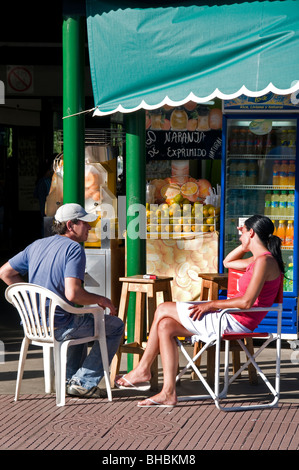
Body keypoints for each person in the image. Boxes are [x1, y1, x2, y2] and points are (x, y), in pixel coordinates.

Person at [115, 215, 284, 407]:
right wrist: (246, 245)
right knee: (165, 326)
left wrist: (210, 304)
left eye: (243, 231)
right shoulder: (257, 260)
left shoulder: (264, 262)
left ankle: (143, 368)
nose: (239, 235)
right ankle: (168, 392)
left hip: (235, 320)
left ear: (252, 232)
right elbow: (228, 263)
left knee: (163, 308)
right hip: (230, 316)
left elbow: (246, 302)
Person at [0, 203, 124, 399]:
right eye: (85, 223)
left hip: (34, 326)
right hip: (59, 326)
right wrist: (102, 299)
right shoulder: (74, 249)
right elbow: (73, 294)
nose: (90, 228)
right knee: (115, 325)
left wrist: (27, 303)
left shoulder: (36, 245)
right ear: (70, 225)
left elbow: (5, 272)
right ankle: (83, 382)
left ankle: (69, 380)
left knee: (82, 318)